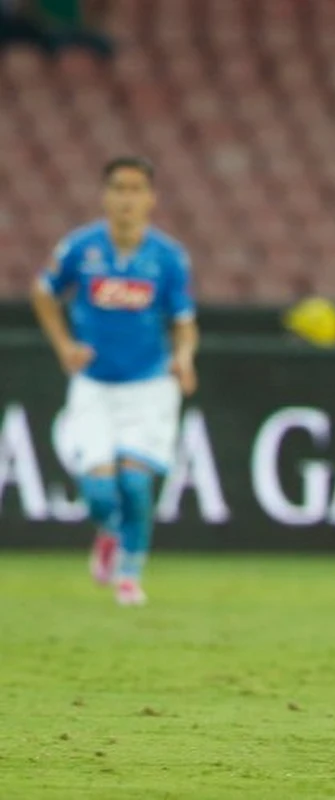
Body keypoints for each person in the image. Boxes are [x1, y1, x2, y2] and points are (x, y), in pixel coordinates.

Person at [30, 155, 198, 606]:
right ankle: (109, 531)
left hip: (149, 386)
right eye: (119, 189)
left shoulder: (167, 258)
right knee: (102, 490)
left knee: (137, 484)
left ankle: (129, 572)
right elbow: (43, 292)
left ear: (150, 198)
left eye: (136, 189)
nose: (127, 199)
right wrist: (64, 345)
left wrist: (184, 356)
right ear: (106, 197)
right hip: (95, 386)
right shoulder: (80, 249)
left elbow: (184, 321)